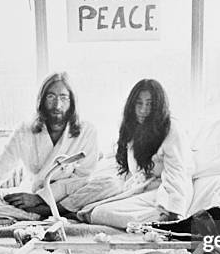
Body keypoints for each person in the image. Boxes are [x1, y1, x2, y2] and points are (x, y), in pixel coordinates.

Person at [0, 72, 98, 220]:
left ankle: (44, 212)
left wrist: (40, 198)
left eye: (63, 97)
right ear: (41, 100)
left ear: (72, 101)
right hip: (29, 197)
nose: (57, 105)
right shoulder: (25, 129)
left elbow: (83, 178)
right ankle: (30, 216)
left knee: (105, 185)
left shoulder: (87, 131)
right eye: (51, 97)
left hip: (65, 198)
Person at [74, 79, 193, 229]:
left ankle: (169, 224)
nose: (143, 110)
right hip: (146, 189)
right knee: (92, 210)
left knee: (99, 213)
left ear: (158, 107)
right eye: (139, 103)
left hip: (169, 192)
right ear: (132, 105)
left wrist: (174, 211)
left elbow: (176, 172)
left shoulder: (171, 129)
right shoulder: (133, 128)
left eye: (150, 104)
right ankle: (155, 221)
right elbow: (131, 169)